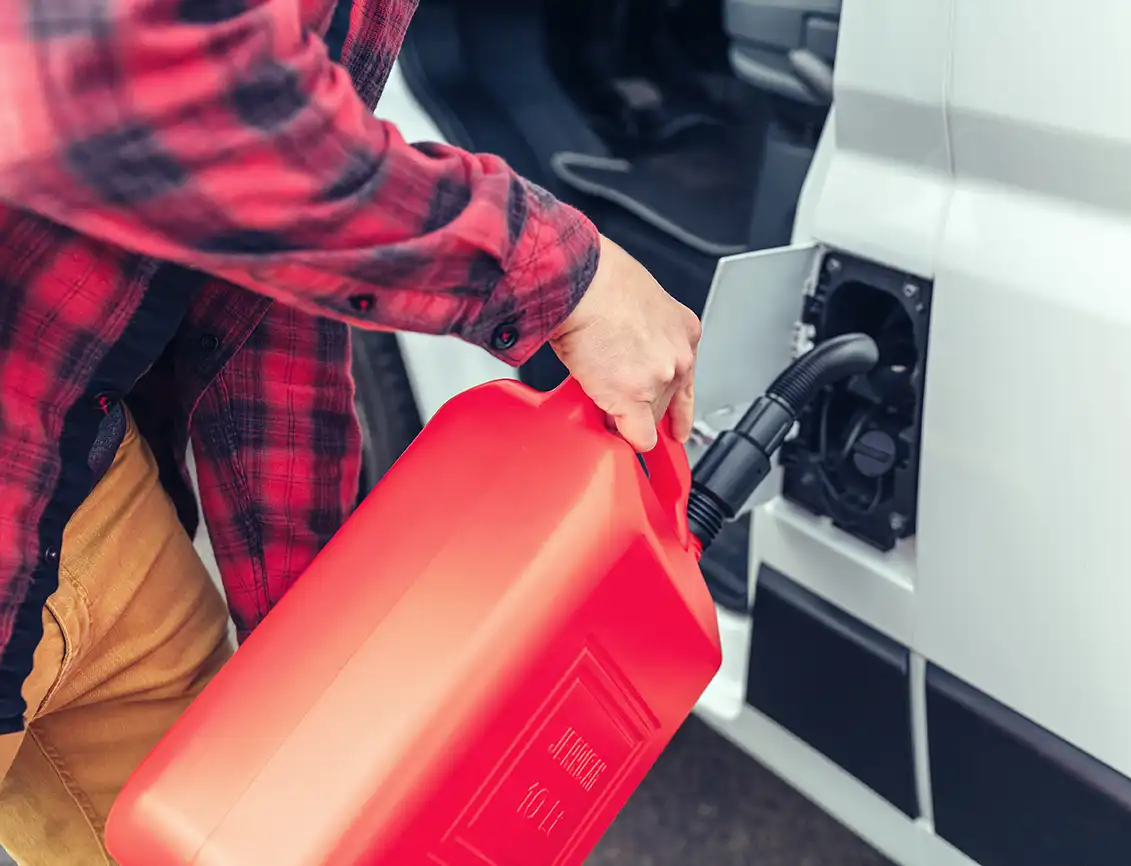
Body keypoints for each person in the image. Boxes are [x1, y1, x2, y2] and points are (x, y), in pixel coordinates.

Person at [0, 0, 701, 861]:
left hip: (83, 490)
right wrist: (565, 277)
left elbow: (266, 298)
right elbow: (168, 97)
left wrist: (323, 674)